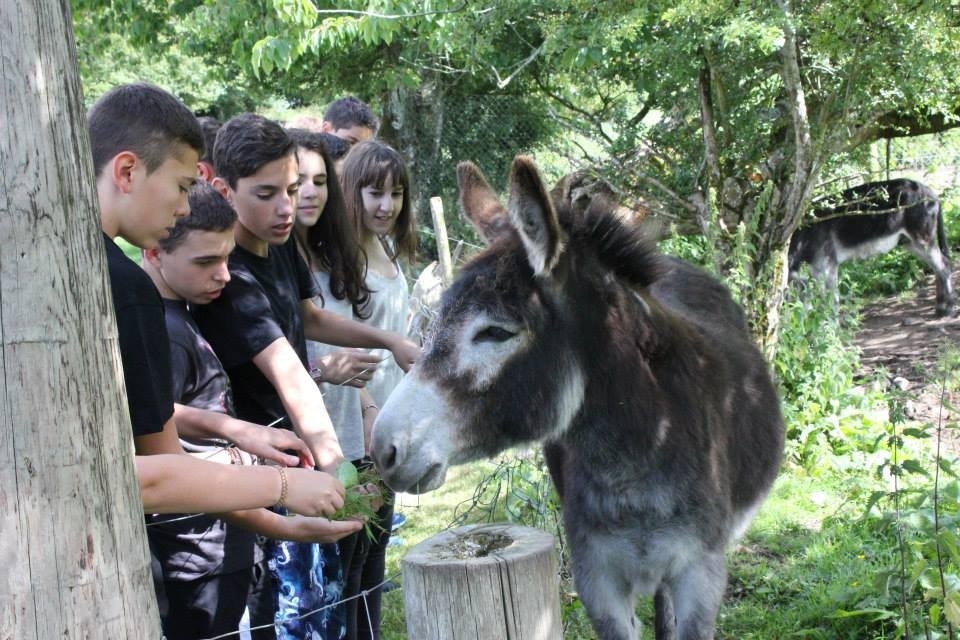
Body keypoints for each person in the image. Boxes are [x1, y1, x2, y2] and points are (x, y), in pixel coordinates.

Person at [194, 113, 419, 639]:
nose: (286, 207)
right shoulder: (232, 278)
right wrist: (339, 470)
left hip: (301, 452)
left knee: (335, 599)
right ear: (223, 189)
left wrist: (390, 339)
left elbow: (311, 317)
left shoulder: (277, 245)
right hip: (260, 466)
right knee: (289, 614)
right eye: (267, 193)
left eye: (292, 190)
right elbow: (290, 373)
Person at [90, 82, 346, 518]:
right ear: (128, 172)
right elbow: (157, 473)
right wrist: (283, 486)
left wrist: (236, 431)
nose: (186, 208)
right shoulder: (126, 290)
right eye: (183, 185)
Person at [142, 182, 363, 640]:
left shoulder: (185, 316)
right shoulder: (162, 334)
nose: (224, 275)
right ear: (154, 253)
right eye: (206, 262)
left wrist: (238, 432)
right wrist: (287, 523)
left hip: (225, 540)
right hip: (194, 555)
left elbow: (174, 412)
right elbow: (178, 463)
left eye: (226, 259)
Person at [337, 140, 419, 640]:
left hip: (389, 422)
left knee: (376, 549)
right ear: (354, 192)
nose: (386, 205)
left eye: (396, 193)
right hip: (356, 428)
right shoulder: (342, 260)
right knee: (352, 554)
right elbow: (333, 337)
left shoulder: (388, 250)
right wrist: (367, 409)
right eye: (374, 193)